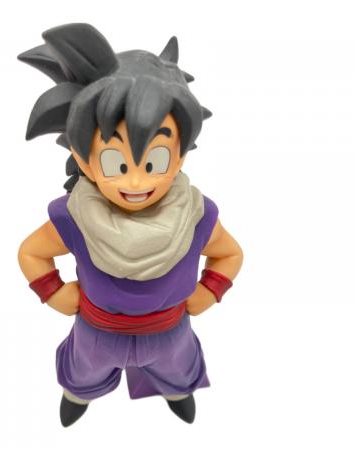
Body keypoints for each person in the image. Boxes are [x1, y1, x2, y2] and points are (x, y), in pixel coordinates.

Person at [17, 23, 243, 427]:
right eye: (115, 163)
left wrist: (210, 291)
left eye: (155, 161)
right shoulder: (75, 216)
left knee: (178, 369)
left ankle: (177, 391)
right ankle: (78, 393)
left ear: (180, 155)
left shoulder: (196, 215)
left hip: (170, 330)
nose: (136, 182)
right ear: (84, 160)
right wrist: (53, 292)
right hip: (96, 332)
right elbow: (32, 252)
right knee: (83, 371)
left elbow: (229, 253)